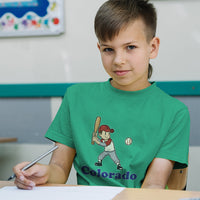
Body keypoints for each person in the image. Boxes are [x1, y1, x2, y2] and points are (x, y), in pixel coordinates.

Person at [13, 0, 190, 190]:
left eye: (130, 47)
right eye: (108, 49)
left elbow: (154, 184)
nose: (118, 60)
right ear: (99, 49)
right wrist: (44, 173)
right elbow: (59, 169)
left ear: (152, 47)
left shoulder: (174, 112)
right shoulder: (76, 98)